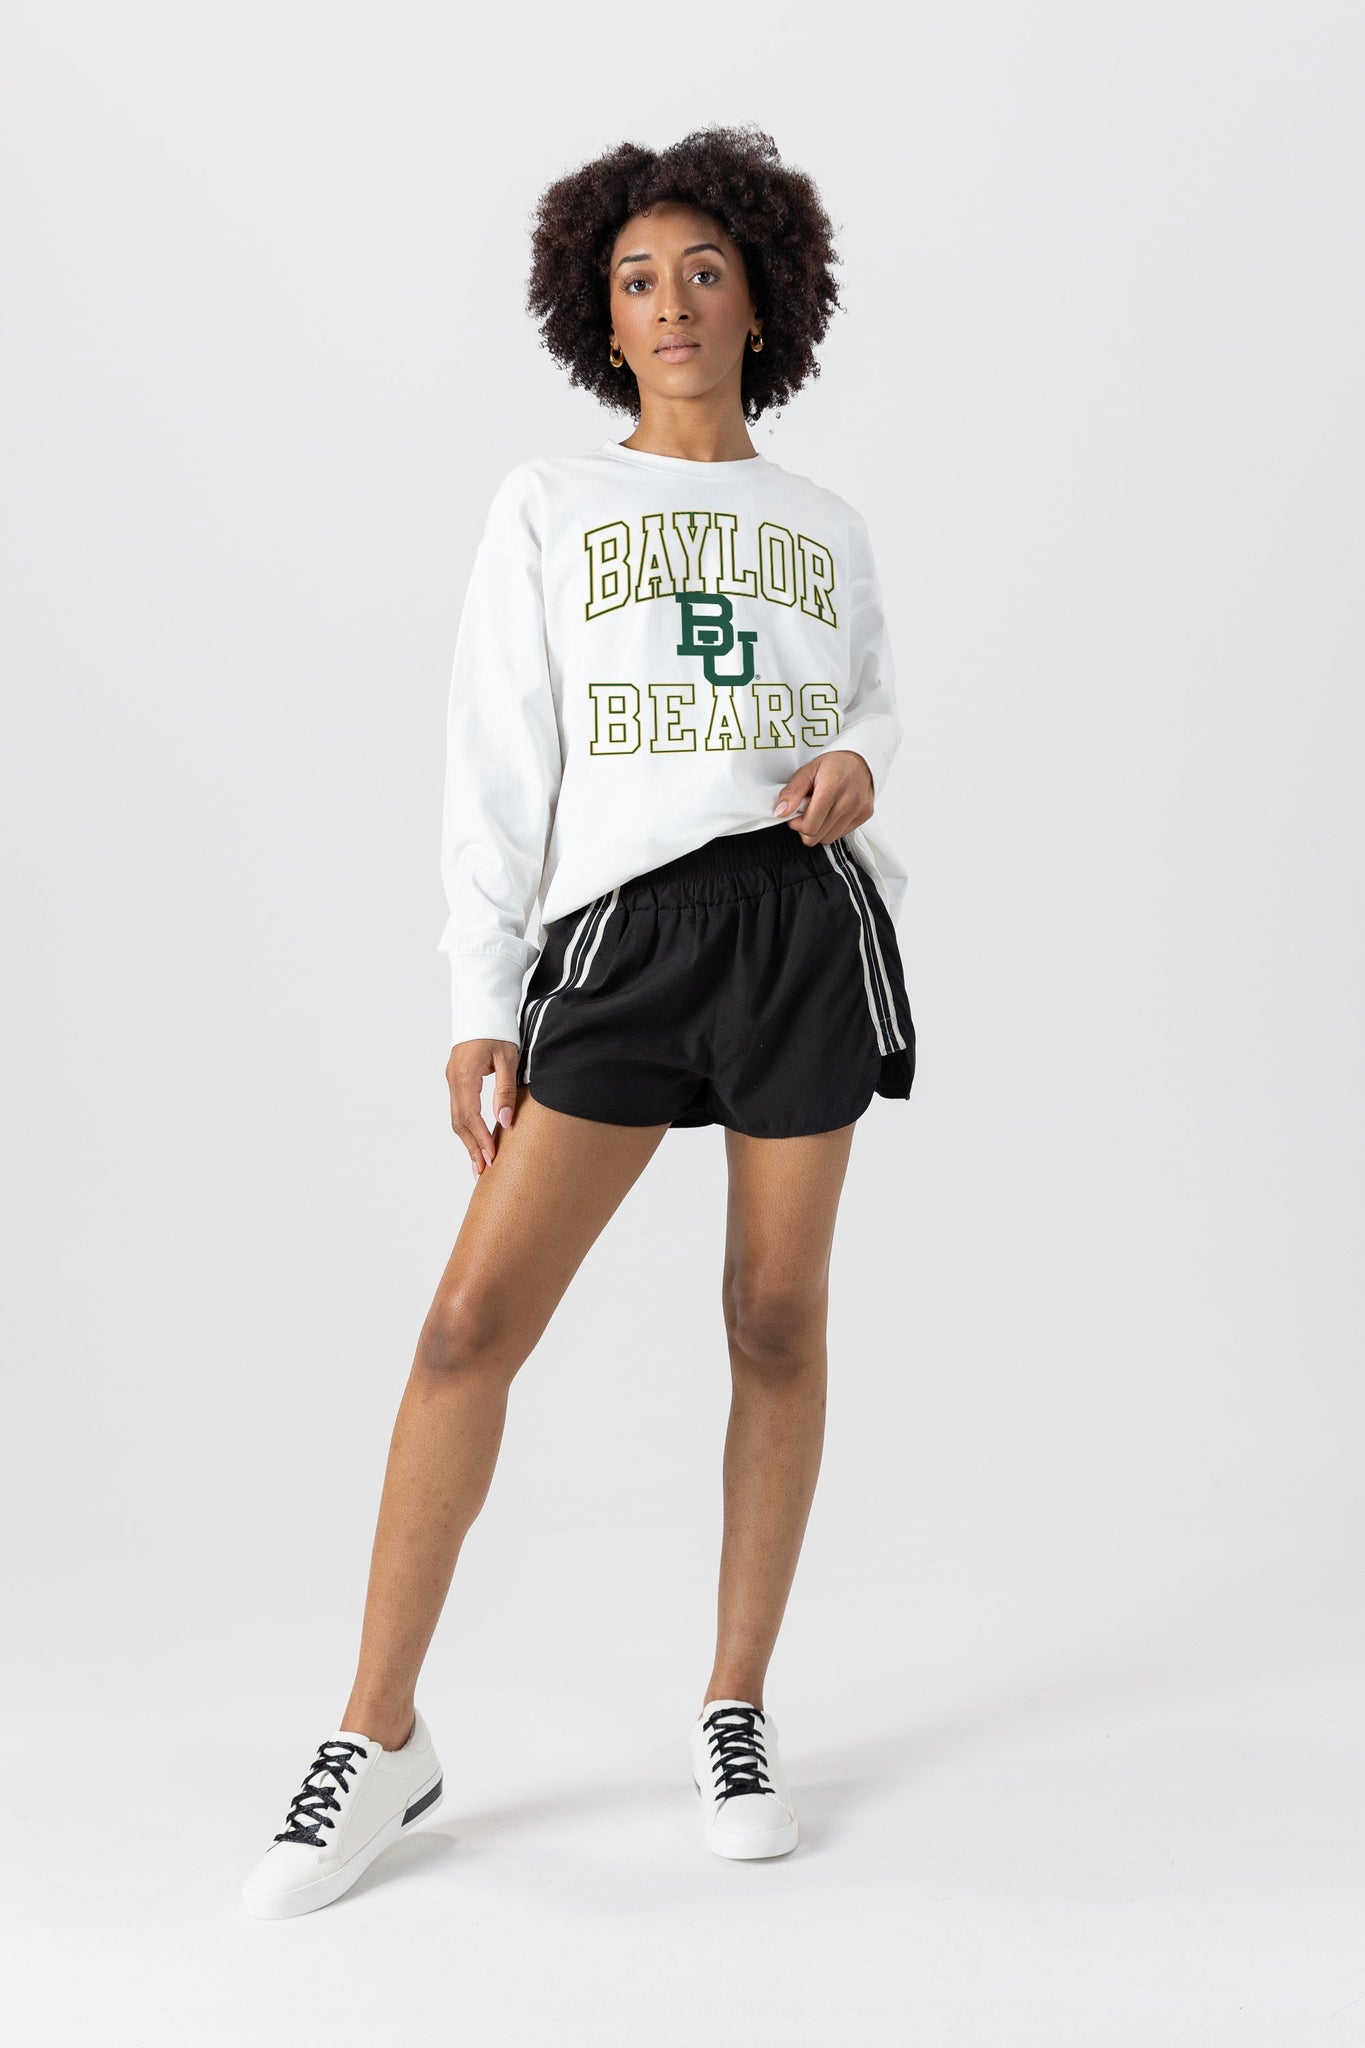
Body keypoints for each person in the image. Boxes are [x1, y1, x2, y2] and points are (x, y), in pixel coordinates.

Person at [241, 123, 916, 1921]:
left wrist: (858, 760)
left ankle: (734, 1702)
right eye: (636, 279)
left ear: (761, 297)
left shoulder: (823, 522)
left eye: (703, 269)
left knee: (774, 1316)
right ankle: (379, 1734)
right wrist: (482, 995)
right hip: (621, 939)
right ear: (597, 320)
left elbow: (865, 702)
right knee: (469, 1324)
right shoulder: (551, 503)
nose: (671, 300)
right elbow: (496, 754)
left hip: (797, 931)